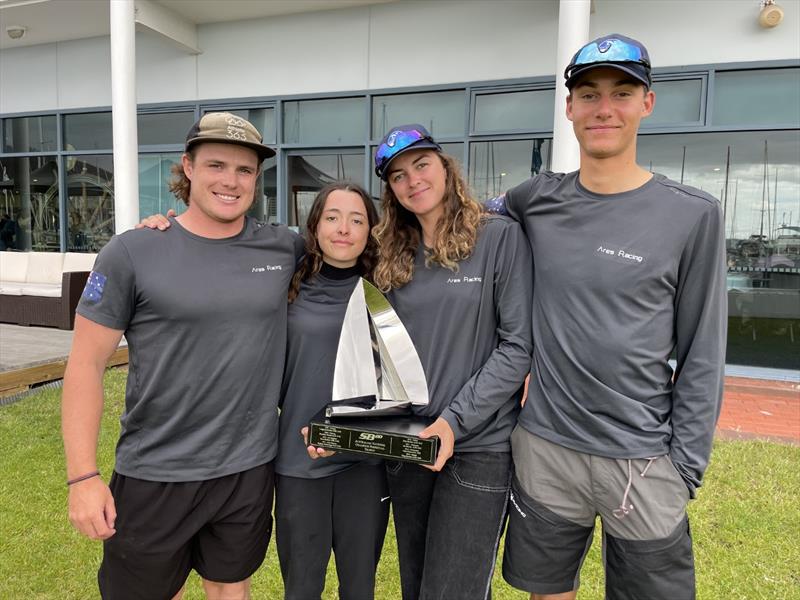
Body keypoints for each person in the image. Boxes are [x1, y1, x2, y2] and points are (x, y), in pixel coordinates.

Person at [489, 34, 727, 600]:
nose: (604, 109)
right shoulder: (533, 200)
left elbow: (702, 350)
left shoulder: (693, 215)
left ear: (647, 104)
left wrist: (684, 466)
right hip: (545, 446)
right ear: (568, 108)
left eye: (622, 93)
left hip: (643, 459)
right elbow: (462, 226)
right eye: (589, 95)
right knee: (546, 592)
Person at [62, 112, 303, 600]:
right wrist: (83, 477)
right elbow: (84, 366)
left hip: (247, 469)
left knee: (231, 589)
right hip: (156, 473)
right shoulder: (132, 252)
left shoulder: (285, 249)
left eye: (244, 170)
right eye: (216, 165)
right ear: (188, 168)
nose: (230, 182)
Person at [367, 124, 533, 599]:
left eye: (421, 165)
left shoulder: (499, 237)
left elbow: (517, 346)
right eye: (398, 175)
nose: (412, 180)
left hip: (478, 446)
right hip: (410, 441)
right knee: (416, 585)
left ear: (445, 167)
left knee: (453, 590)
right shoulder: (390, 252)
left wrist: (453, 422)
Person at [274, 182, 389, 600]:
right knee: (302, 587)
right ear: (315, 225)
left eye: (357, 219)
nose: (344, 229)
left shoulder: (386, 292)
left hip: (364, 461)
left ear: (370, 230)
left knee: (359, 587)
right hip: (299, 462)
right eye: (333, 217)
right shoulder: (287, 287)